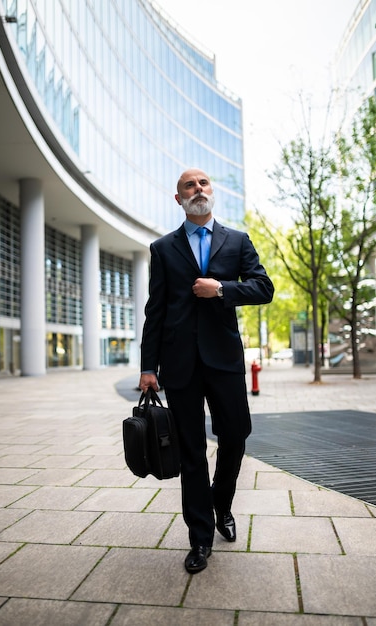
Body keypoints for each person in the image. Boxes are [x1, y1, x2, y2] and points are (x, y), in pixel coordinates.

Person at [139, 167, 274, 574]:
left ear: (211, 192)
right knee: (192, 452)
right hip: (179, 364)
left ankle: (222, 503)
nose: (197, 189)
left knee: (235, 435)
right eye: (188, 186)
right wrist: (148, 366)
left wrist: (222, 289)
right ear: (178, 199)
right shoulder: (162, 249)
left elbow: (263, 288)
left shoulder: (237, 240)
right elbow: (155, 312)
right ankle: (199, 537)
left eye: (203, 183)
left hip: (225, 360)